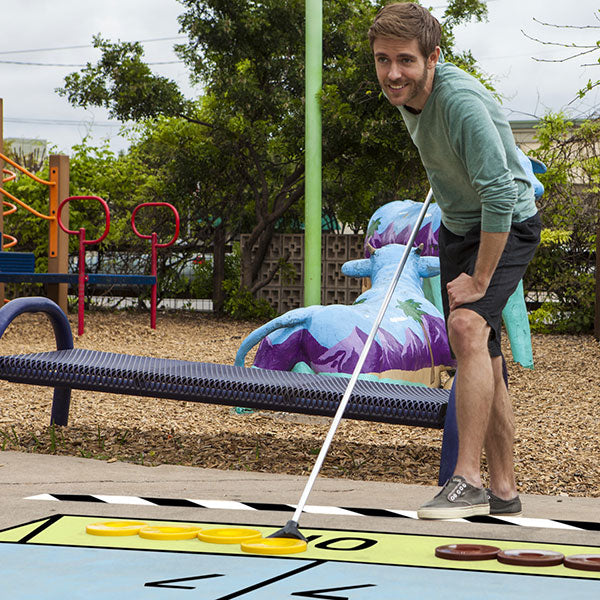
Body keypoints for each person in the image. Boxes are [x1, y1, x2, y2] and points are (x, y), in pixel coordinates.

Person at [368, 2, 541, 519]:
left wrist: (481, 276)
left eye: (405, 60)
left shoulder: (459, 101)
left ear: (433, 58)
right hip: (460, 224)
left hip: (505, 221)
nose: (393, 73)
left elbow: (502, 195)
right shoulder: (403, 95)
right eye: (382, 60)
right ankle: (504, 489)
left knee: (466, 326)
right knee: (481, 350)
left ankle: (466, 480)